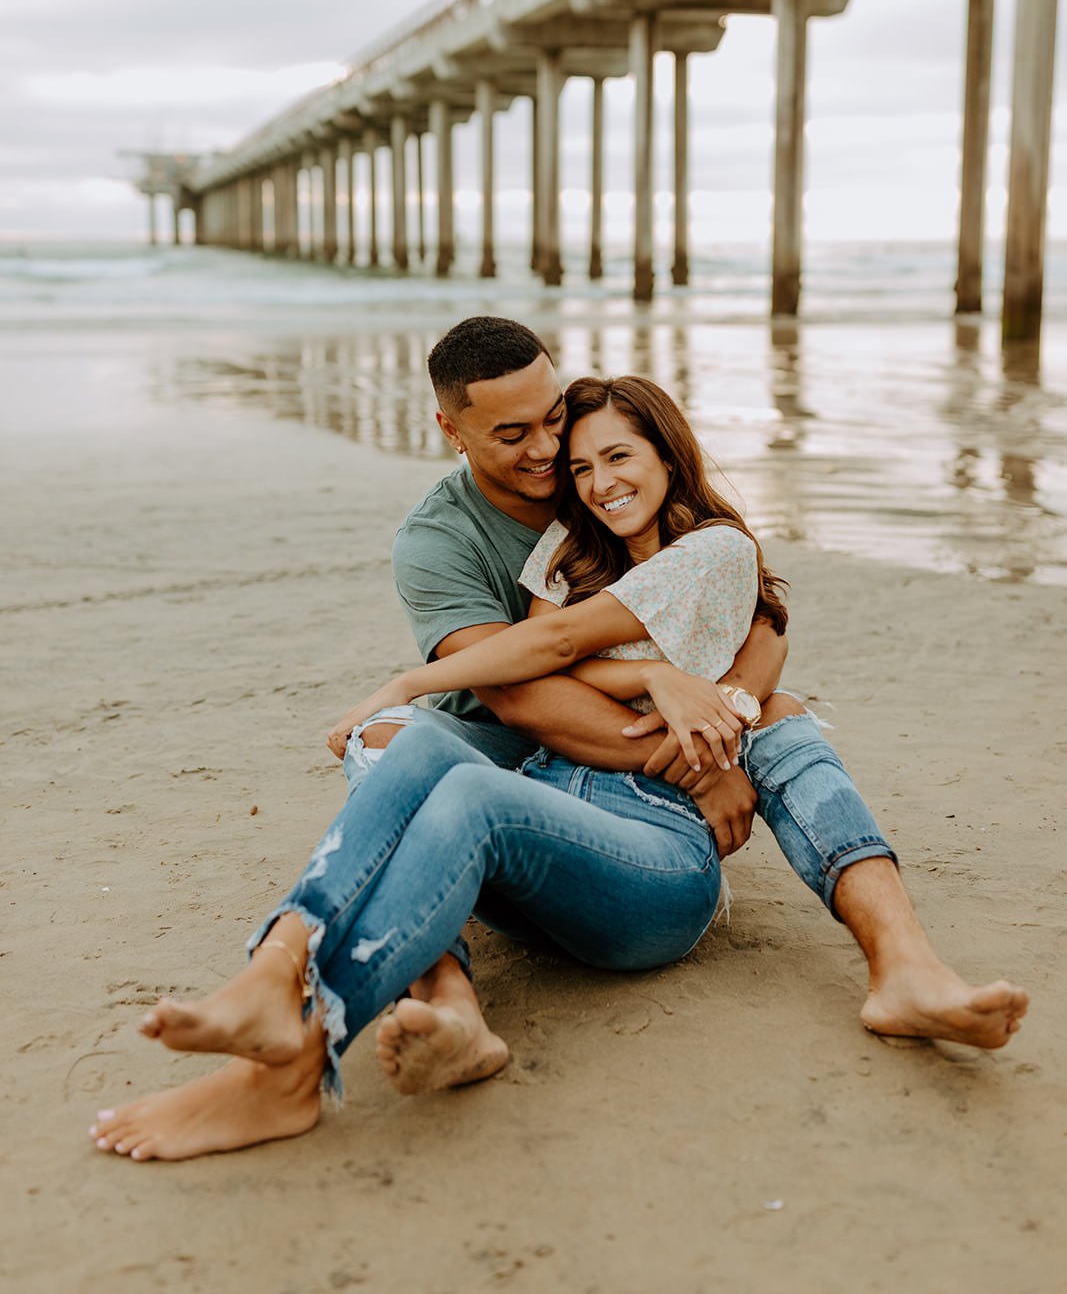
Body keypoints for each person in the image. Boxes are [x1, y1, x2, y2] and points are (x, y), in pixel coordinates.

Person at [89, 365, 1028, 1162]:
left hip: (654, 861)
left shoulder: (712, 551)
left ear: (668, 451)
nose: (596, 479)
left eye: (618, 455)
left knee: (470, 771)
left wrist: (408, 679)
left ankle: (299, 1046)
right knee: (426, 757)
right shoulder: (560, 552)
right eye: (581, 466)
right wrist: (653, 676)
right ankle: (275, 981)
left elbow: (563, 645)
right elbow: (534, 667)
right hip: (548, 826)